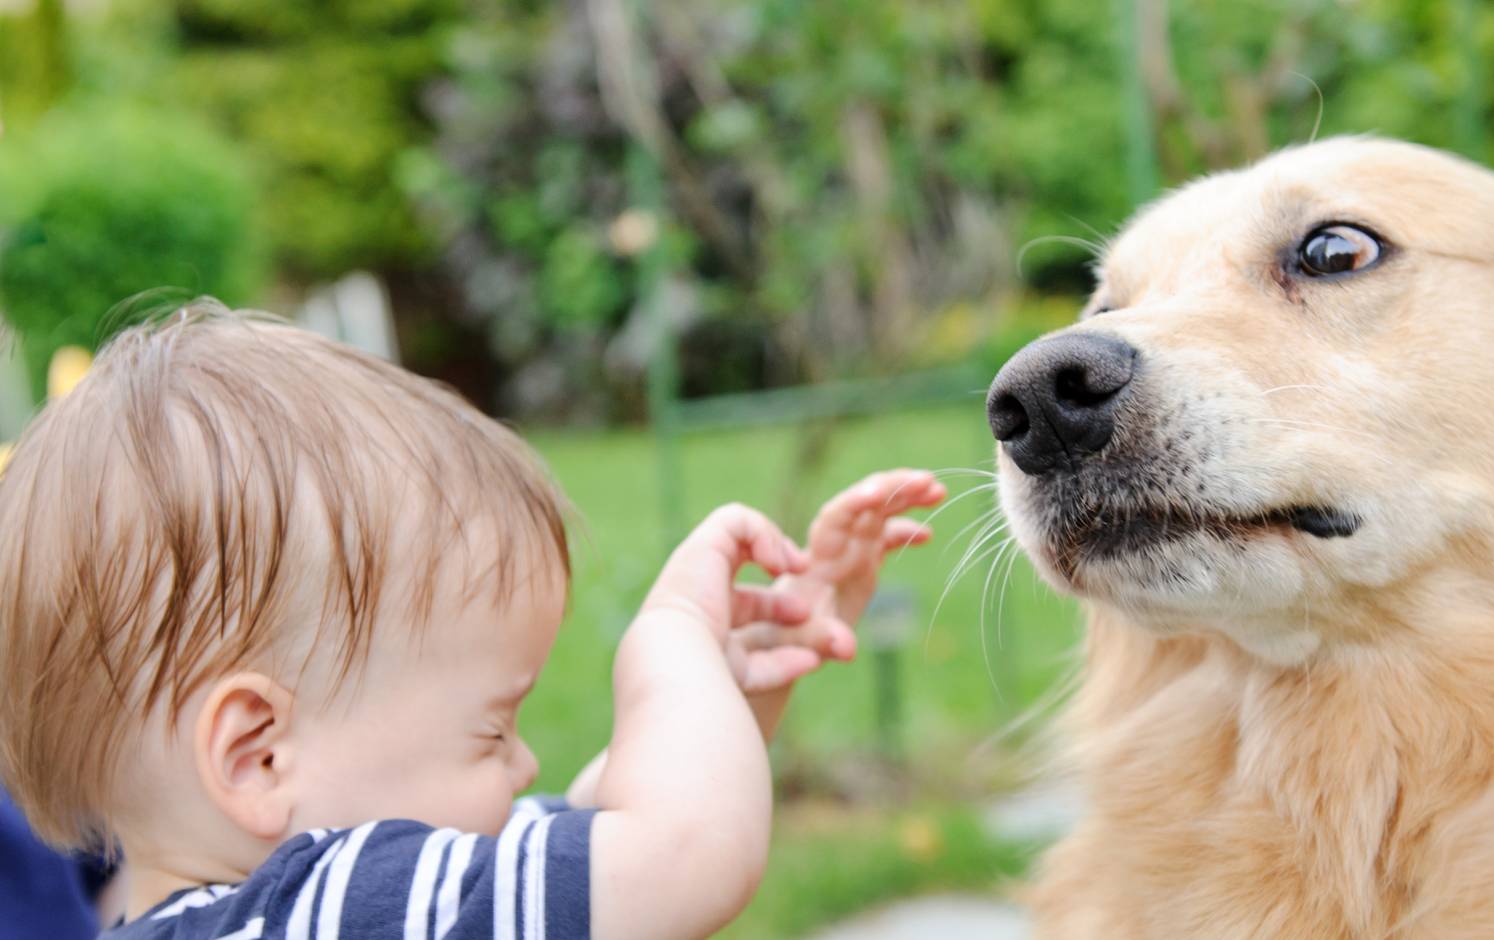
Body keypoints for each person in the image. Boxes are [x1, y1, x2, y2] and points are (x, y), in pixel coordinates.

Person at [0, 304, 944, 939]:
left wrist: (725, 694)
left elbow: (591, 826)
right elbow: (682, 851)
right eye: (491, 728)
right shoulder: (323, 906)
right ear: (260, 755)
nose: (524, 763)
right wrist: (672, 649)